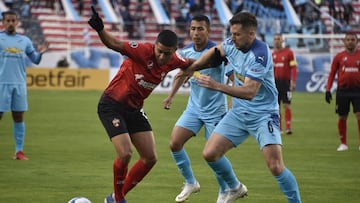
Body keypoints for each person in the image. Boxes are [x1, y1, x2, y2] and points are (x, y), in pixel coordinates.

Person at [181, 12, 302, 203]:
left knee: (275, 166)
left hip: (263, 115)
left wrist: (216, 85)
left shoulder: (260, 54)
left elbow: (249, 92)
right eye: (232, 33)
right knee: (210, 153)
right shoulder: (232, 43)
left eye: (237, 34)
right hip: (238, 113)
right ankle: (235, 188)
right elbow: (215, 52)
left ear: (251, 33)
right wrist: (193, 67)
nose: (233, 37)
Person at [87, 6, 193, 203]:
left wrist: (217, 59)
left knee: (150, 158)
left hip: (134, 110)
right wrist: (100, 28)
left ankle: (114, 198)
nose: (162, 57)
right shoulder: (142, 50)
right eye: (160, 51)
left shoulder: (174, 60)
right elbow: (114, 43)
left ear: (174, 52)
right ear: (155, 46)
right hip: (111, 105)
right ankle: (118, 199)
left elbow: (192, 64)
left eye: (167, 54)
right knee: (126, 153)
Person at [162, 14, 230, 203]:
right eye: (193, 29)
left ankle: (225, 190)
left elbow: (232, 75)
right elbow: (182, 74)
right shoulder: (185, 52)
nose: (196, 33)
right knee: (174, 143)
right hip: (194, 108)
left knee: (214, 154)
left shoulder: (218, 52)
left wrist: (233, 103)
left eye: (200, 29)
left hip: (216, 110)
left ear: (208, 30)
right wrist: (170, 96)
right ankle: (190, 182)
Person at [0, 10, 49, 161]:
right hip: (2, 83)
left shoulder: (25, 40)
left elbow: (35, 60)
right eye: (7, 20)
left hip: (19, 84)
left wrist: (40, 53)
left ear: (17, 22)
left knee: (18, 116)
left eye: (12, 20)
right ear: (3, 22)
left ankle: (19, 151)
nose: (10, 23)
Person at [325, 32, 360, 152]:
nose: (350, 41)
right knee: (342, 116)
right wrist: (328, 89)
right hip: (343, 91)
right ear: (344, 42)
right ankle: (343, 143)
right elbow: (332, 73)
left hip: (358, 91)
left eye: (352, 39)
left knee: (359, 115)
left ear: (357, 42)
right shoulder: (339, 57)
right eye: (348, 39)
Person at [272, 33, 297, 135]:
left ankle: (288, 127)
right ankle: (279, 128)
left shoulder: (289, 53)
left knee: (287, 105)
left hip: (285, 83)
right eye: (275, 39)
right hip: (274, 84)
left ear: (282, 41)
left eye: (279, 39)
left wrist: (293, 81)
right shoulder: (272, 54)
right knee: (276, 107)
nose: (277, 41)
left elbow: (294, 67)